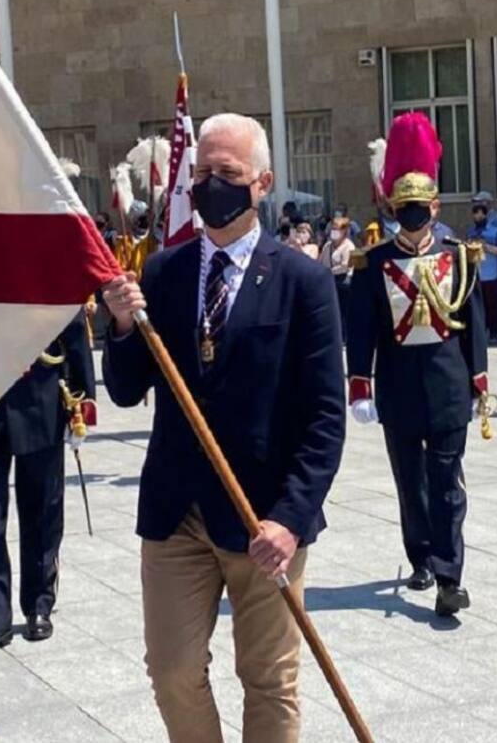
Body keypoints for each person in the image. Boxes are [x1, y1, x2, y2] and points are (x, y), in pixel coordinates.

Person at [101, 113, 345, 743]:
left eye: (227, 172)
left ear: (262, 182)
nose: (211, 183)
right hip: (176, 512)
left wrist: (291, 519)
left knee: (269, 679)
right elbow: (125, 391)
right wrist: (122, 326)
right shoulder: (163, 272)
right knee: (172, 670)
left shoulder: (304, 282)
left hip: (263, 517)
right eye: (202, 171)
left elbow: (325, 417)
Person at [347, 112, 489, 617]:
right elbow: (361, 329)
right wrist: (359, 386)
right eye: (403, 208)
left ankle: (450, 577)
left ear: (435, 207)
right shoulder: (372, 262)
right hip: (399, 385)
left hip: (448, 385)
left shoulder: (461, 256)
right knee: (411, 481)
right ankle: (421, 557)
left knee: (448, 482)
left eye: (420, 208)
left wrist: (479, 381)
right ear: (392, 207)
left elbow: (473, 325)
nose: (412, 216)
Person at [0, 310, 94, 659]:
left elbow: (71, 316)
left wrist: (83, 396)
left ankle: (38, 604)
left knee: (43, 507)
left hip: (42, 394)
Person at [467, 194, 497, 344]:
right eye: (475, 214)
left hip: (490, 273)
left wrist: (486, 246)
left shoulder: (495, 231)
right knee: (478, 306)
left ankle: (494, 333)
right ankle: (480, 332)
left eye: (480, 214)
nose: (477, 217)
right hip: (476, 273)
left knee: (492, 305)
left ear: (485, 215)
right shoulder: (471, 231)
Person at [319, 215, 356, 339]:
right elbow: (321, 261)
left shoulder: (349, 246)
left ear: (344, 230)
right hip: (329, 282)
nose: (333, 231)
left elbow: (345, 266)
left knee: (343, 311)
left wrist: (329, 271)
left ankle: (345, 336)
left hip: (343, 283)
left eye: (337, 229)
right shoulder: (327, 246)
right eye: (332, 228)